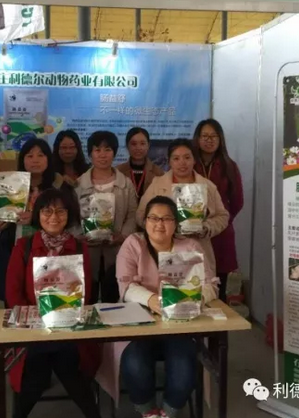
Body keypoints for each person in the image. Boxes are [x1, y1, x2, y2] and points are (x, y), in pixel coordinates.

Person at [96, 196, 216, 418]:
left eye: (167, 218)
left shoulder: (190, 246)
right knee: (135, 363)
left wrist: (192, 299)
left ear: (176, 223)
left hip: (180, 325)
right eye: (153, 218)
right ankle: (147, 410)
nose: (160, 224)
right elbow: (126, 286)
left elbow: (210, 286)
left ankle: (168, 411)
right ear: (145, 221)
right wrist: (152, 299)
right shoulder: (133, 243)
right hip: (139, 324)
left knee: (184, 365)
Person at [5, 189, 100, 418]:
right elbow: (13, 293)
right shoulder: (24, 246)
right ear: (38, 214)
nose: (54, 217)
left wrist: (63, 315)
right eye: (47, 211)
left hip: (68, 325)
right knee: (39, 369)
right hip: (33, 328)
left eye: (60, 211)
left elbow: (86, 292)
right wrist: (39, 319)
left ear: (70, 214)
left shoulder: (79, 247)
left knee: (68, 365)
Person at [0, 138, 75, 302]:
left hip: (50, 257)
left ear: (48, 159)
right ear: (22, 160)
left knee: (48, 303)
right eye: (30, 156)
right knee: (10, 301)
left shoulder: (59, 186)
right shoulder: (9, 183)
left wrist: (36, 218)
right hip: (10, 253)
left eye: (40, 155)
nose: (35, 160)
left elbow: (71, 219)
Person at [138, 139, 229, 283]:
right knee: (166, 290)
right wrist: (160, 228)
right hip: (163, 250)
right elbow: (140, 214)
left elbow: (222, 216)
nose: (182, 163)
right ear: (169, 161)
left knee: (197, 289)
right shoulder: (157, 184)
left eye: (187, 157)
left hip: (197, 248)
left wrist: (206, 227)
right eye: (176, 158)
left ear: (194, 160)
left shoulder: (208, 186)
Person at [76, 131, 137, 302]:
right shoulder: (79, 184)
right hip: (88, 249)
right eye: (97, 150)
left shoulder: (125, 184)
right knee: (88, 294)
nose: (102, 155)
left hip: (117, 249)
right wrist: (79, 236)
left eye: (108, 149)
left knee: (113, 295)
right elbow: (71, 214)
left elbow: (132, 214)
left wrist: (122, 235)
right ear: (90, 154)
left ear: (114, 153)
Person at [193, 119, 244, 301]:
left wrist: (221, 221)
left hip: (221, 234)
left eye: (214, 136)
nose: (209, 140)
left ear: (220, 139)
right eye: (205, 136)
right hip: (193, 232)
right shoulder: (189, 164)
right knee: (194, 281)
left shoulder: (229, 166)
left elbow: (237, 201)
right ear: (197, 139)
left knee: (218, 288)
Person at [117, 127, 165, 199]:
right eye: (134, 144)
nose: (138, 148)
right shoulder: (118, 171)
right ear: (127, 146)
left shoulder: (158, 173)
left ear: (148, 145)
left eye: (142, 144)